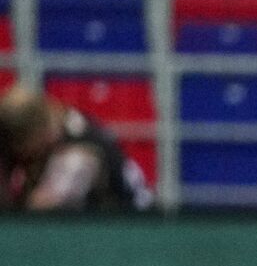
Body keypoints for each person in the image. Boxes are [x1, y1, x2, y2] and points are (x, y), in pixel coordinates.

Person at [0, 85, 152, 211]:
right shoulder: (55, 119)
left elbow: (41, 211)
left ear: (36, 135)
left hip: (128, 225)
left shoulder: (80, 150)